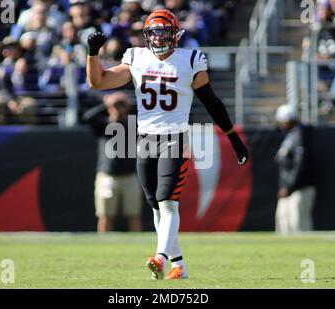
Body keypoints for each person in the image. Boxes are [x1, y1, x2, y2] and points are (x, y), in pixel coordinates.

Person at [86, 9, 248, 280]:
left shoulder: (190, 59)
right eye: (154, 32)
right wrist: (92, 53)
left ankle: (160, 258)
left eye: (164, 32)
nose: (159, 38)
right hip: (145, 138)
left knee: (168, 203)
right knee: (156, 205)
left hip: (175, 138)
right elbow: (98, 81)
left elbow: (211, 101)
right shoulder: (136, 57)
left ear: (176, 35)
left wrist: (233, 137)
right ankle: (179, 265)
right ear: (147, 35)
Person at [82, 92, 143, 233]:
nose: (118, 108)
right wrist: (107, 103)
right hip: (107, 176)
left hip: (129, 175)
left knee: (134, 215)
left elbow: (144, 114)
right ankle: (103, 246)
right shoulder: (104, 125)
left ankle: (136, 247)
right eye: (116, 106)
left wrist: (126, 103)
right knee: (105, 215)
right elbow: (88, 117)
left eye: (121, 106)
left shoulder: (133, 124)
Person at [274, 105, 316, 235]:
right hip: (289, 188)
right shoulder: (291, 136)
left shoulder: (300, 135)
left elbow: (300, 164)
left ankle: (305, 252)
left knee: (297, 223)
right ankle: (285, 253)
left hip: (299, 188)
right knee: (284, 221)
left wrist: (290, 186)